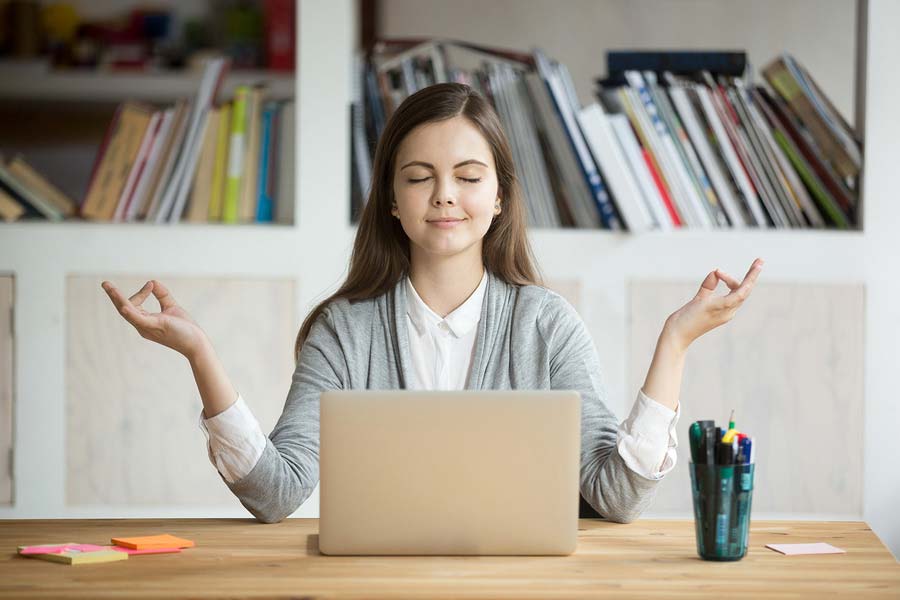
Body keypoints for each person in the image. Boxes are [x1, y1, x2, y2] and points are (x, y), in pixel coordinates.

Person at [101, 82, 763, 524]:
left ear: (499, 196)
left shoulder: (547, 325)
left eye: (468, 178)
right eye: (420, 178)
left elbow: (614, 497)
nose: (444, 195)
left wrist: (674, 342)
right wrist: (199, 353)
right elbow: (277, 495)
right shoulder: (345, 331)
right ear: (392, 200)